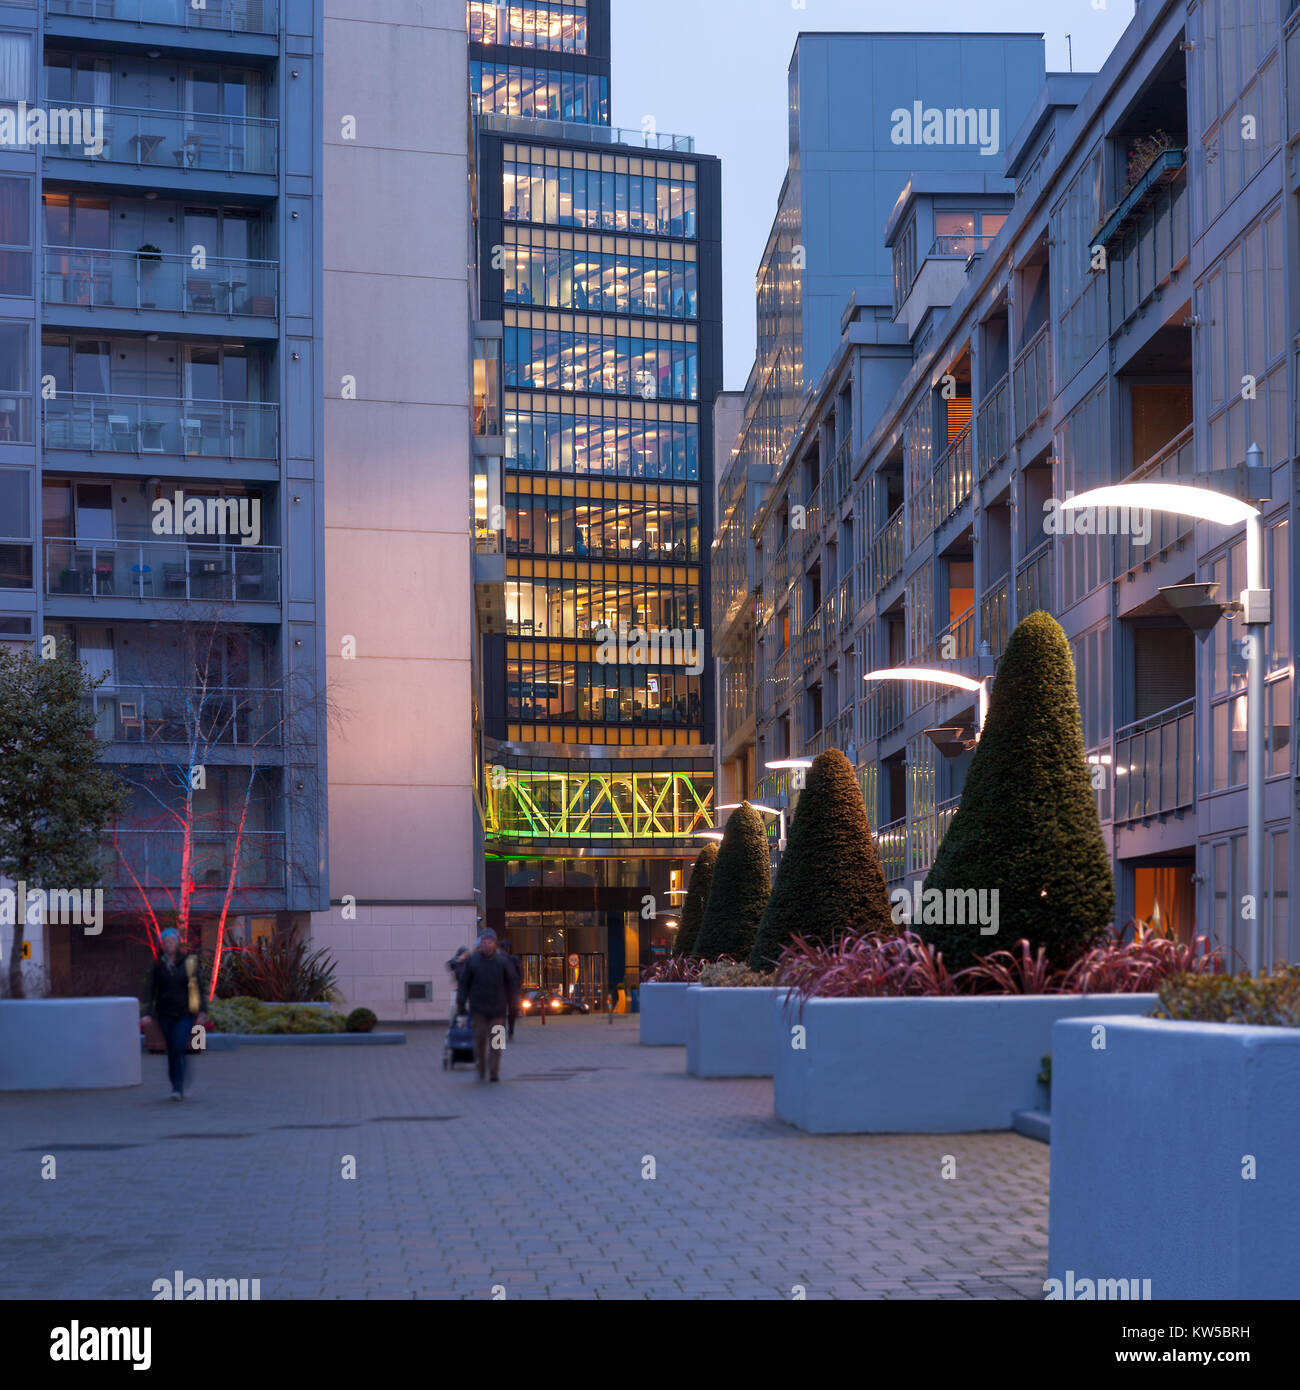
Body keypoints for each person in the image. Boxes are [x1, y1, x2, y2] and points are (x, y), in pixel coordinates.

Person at [140, 928, 208, 1101]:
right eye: (166, 942)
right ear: (162, 945)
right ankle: (176, 1083)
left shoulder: (188, 963)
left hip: (184, 1012)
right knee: (172, 1050)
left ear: (177, 943)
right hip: (165, 1013)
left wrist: (202, 1011)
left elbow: (197, 987)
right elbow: (151, 990)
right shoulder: (158, 966)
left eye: (172, 941)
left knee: (178, 1045)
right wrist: (147, 1013)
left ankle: (178, 1085)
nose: (169, 945)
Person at [455, 929, 520, 1083]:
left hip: (498, 1011)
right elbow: (464, 984)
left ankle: (494, 1071)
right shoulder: (472, 961)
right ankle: (481, 1064)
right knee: (479, 1040)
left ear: (494, 943)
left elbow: (512, 983)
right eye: (484, 942)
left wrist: (513, 1005)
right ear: (480, 944)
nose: (486, 944)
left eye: (489, 941)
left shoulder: (503, 961)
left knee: (497, 1043)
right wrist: (461, 1002)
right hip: (478, 1010)